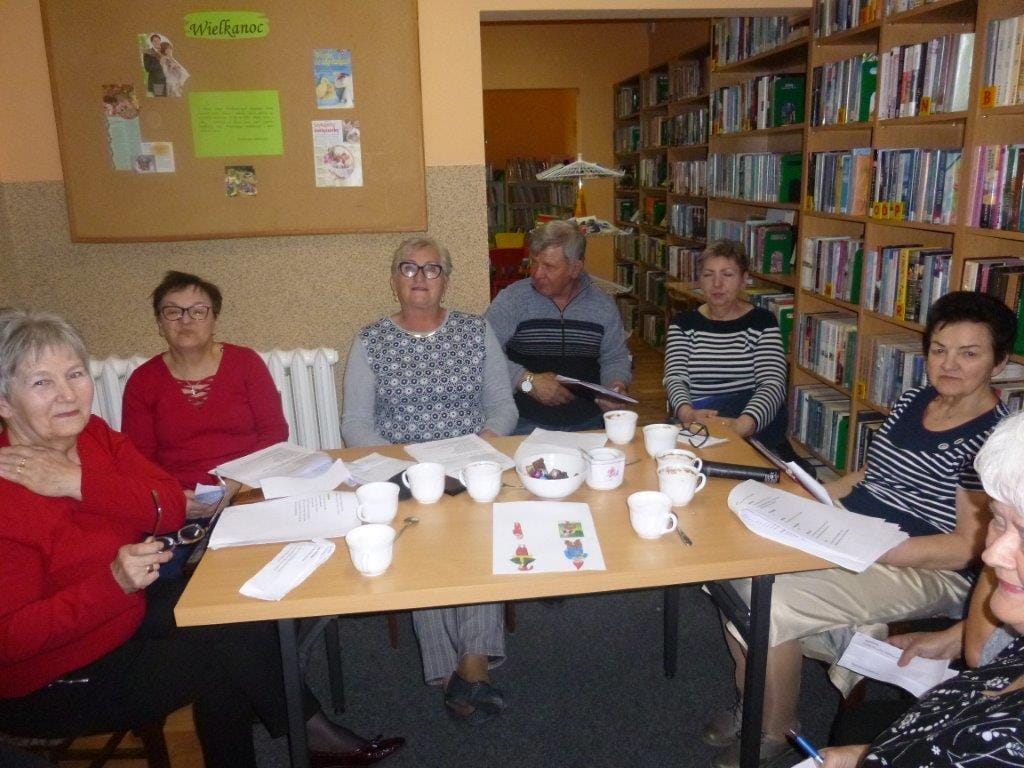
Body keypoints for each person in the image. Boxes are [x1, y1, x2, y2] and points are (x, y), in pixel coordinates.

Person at [0, 309, 403, 768]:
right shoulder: (6, 500)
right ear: (5, 403)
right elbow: (9, 640)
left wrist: (78, 482)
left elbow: (168, 505)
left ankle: (306, 731)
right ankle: (312, 732)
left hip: (126, 612)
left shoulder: (93, 436)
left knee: (238, 608)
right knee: (225, 659)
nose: (67, 394)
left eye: (74, 374)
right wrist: (113, 583)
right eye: (42, 382)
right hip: (54, 676)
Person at [702, 290, 1017, 768]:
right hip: (853, 531)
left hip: (924, 566)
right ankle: (756, 701)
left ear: (999, 363)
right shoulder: (914, 399)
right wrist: (818, 494)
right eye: (939, 350)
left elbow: (964, 548)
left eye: (969, 354)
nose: (949, 364)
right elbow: (872, 474)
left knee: (767, 602)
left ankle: (774, 729)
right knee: (734, 561)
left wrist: (876, 548)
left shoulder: (992, 439)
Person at [342, 237, 516, 723]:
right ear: (393, 279)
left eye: (432, 268)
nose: (420, 278)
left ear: (446, 279)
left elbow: (503, 407)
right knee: (423, 537)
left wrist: (481, 446)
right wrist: (405, 464)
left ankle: (472, 660)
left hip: (469, 465)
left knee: (481, 531)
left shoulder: (476, 331)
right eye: (409, 268)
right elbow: (355, 424)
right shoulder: (370, 340)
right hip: (403, 471)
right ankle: (450, 671)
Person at [821, 411, 1024, 768]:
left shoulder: (1003, 746)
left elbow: (979, 653)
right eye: (997, 519)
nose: (990, 554)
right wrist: (864, 755)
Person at [121, 271, 288, 575]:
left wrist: (236, 484)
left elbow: (274, 433)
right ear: (159, 323)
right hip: (181, 504)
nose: (186, 320)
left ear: (214, 319)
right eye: (173, 311)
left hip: (248, 491)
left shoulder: (246, 363)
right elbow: (138, 460)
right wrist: (175, 499)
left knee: (266, 565)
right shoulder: (143, 381)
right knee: (167, 578)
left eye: (198, 311)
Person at [484, 219, 632, 434]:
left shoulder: (602, 305)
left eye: (549, 266)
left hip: (589, 423)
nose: (536, 273)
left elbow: (615, 357)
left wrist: (615, 387)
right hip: (524, 421)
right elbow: (482, 351)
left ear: (575, 268)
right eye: (534, 262)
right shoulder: (512, 299)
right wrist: (527, 381)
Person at [663, 240, 789, 450]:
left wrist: (743, 425)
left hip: (748, 421)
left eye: (727, 275)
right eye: (708, 275)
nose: (717, 284)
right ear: (700, 280)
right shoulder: (683, 324)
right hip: (696, 419)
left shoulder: (762, 322)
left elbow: (772, 383)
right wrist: (688, 414)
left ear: (743, 280)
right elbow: (675, 378)